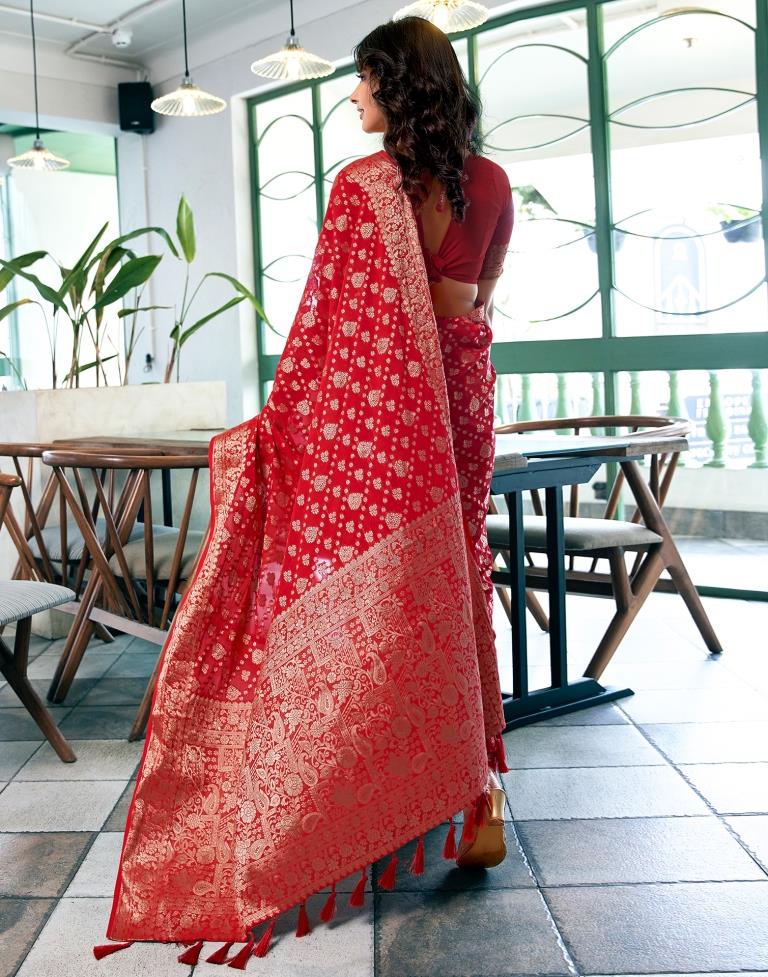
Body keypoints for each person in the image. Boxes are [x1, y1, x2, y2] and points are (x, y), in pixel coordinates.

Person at [94, 15, 513, 969]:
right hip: (462, 398)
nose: (354, 100)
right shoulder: (490, 185)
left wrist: (283, 424)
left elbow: (322, 334)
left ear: (398, 90)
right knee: (458, 573)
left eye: (365, 84)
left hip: (380, 427)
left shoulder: (363, 190)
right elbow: (483, 299)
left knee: (374, 592)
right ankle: (477, 790)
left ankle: (366, 794)